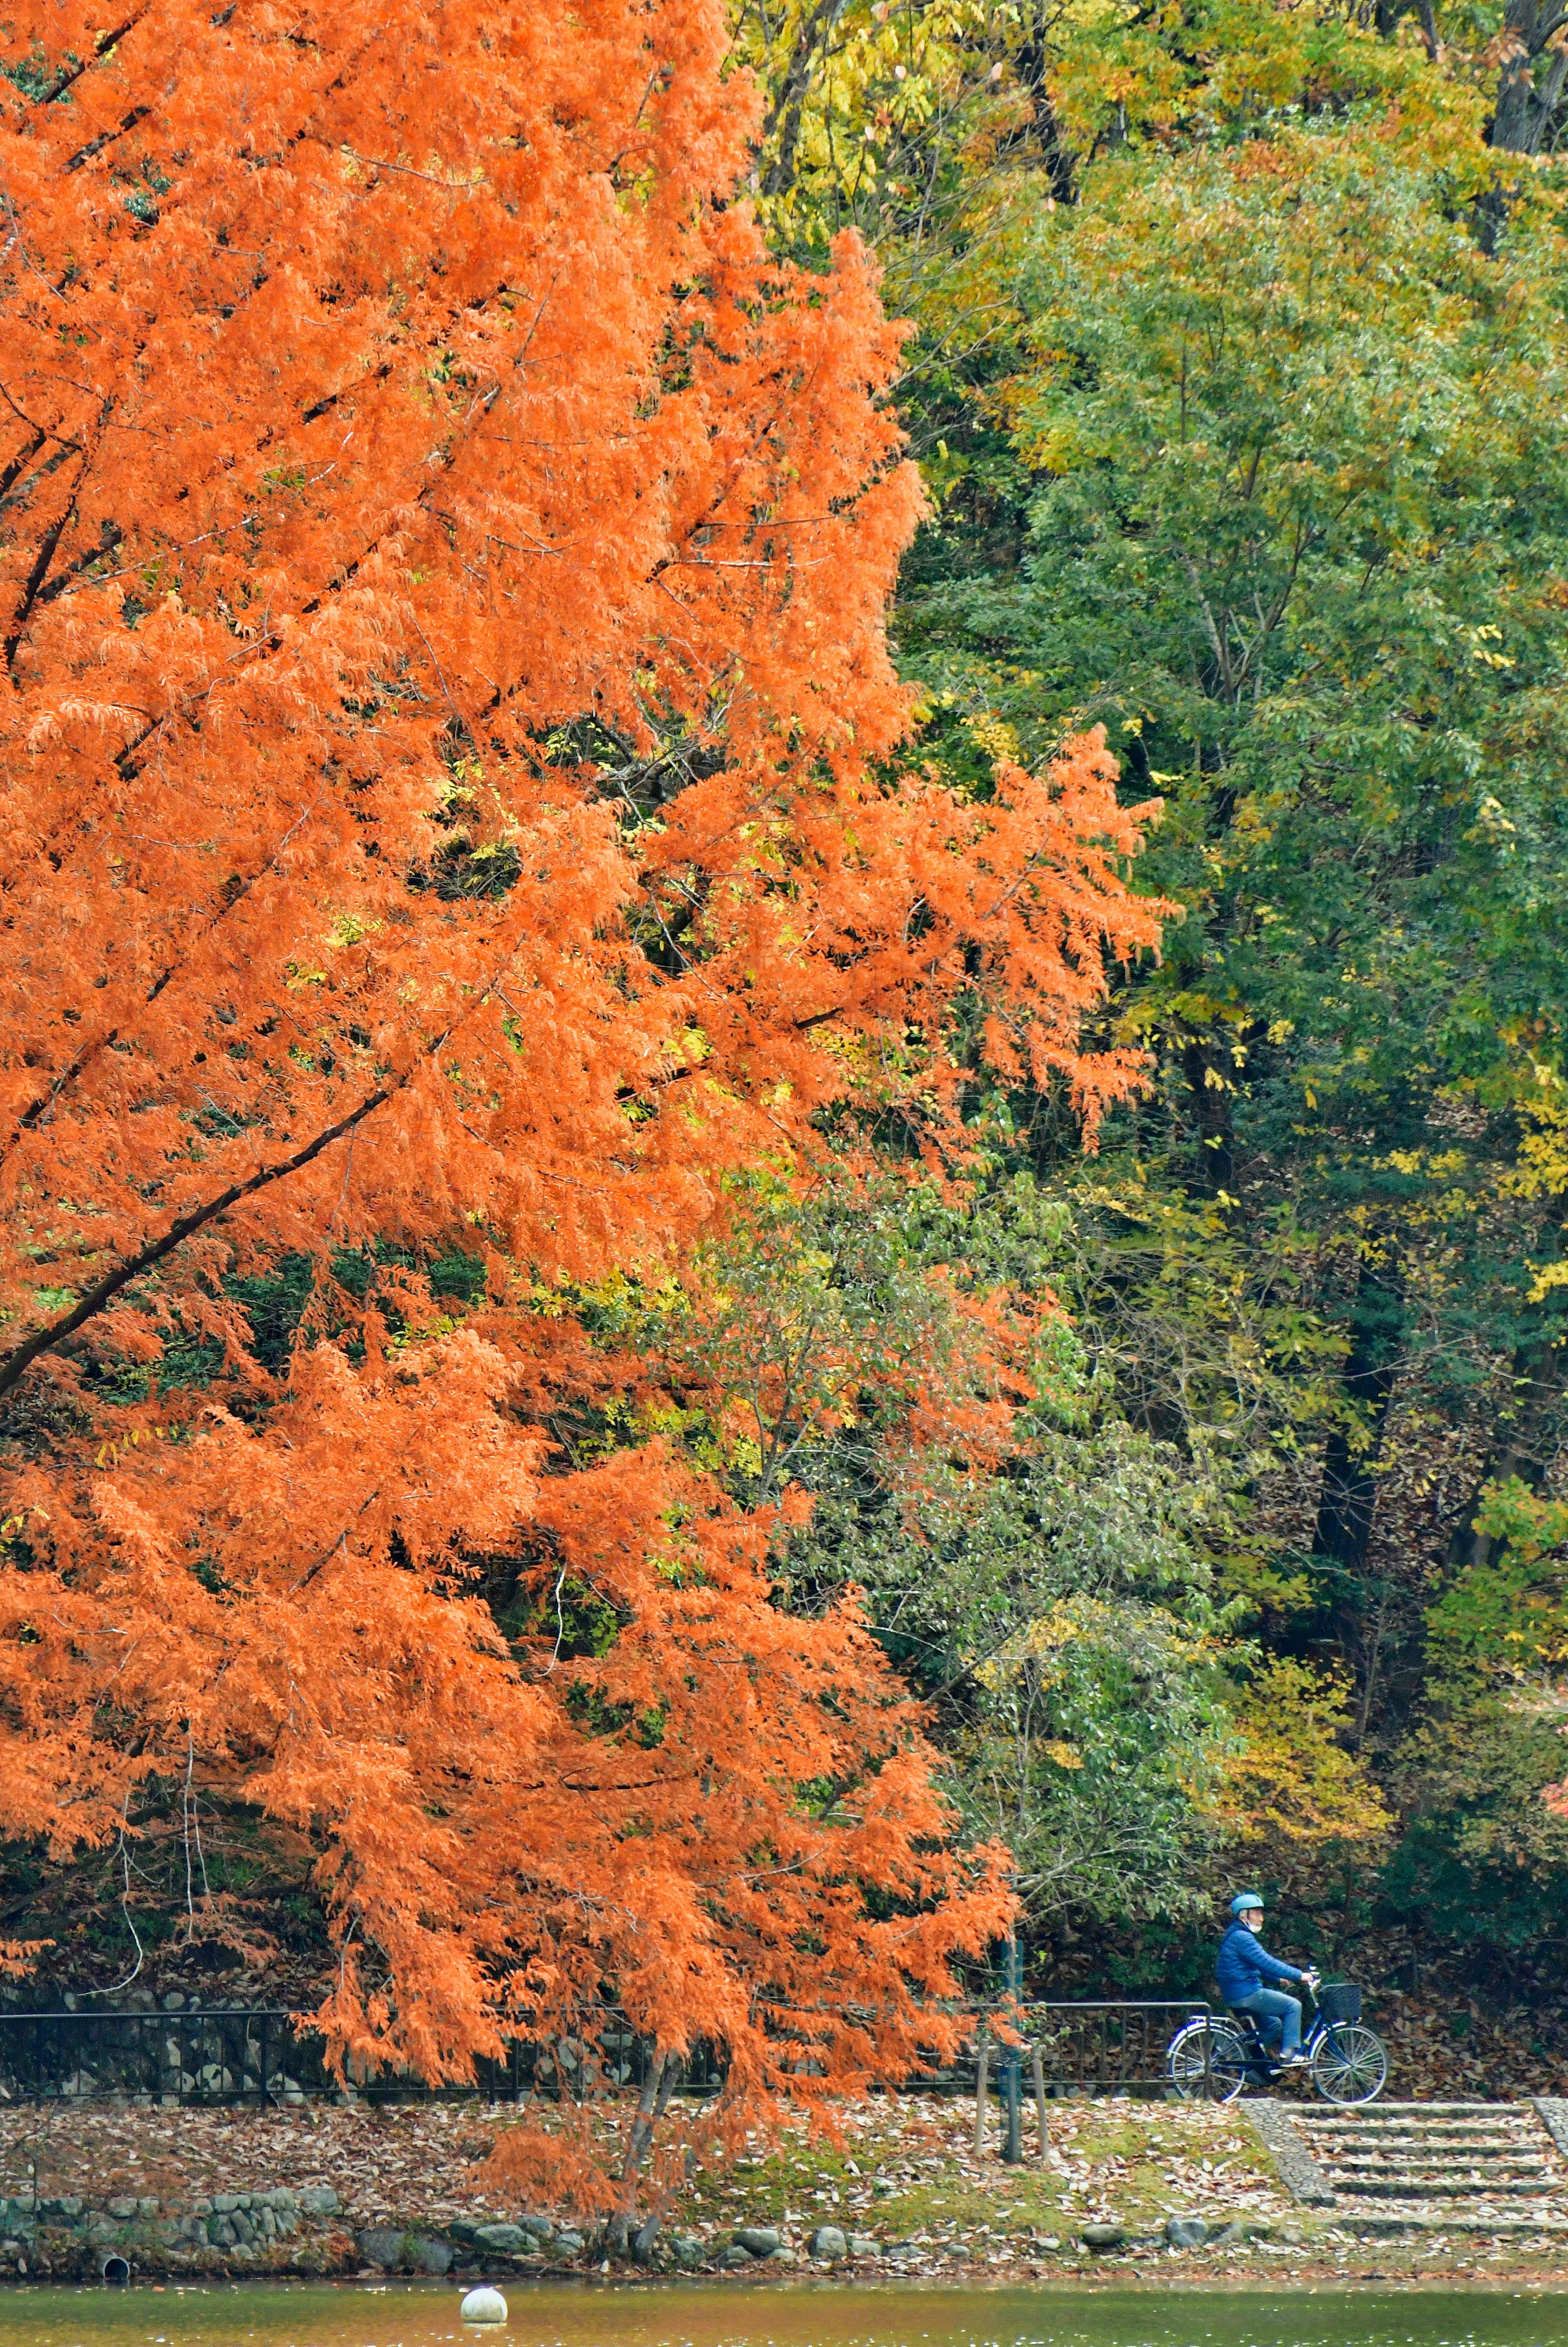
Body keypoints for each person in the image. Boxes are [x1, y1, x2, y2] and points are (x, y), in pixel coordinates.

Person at [1216, 1893, 1320, 2067]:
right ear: (1244, 1916)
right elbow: (1266, 1962)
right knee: (1293, 2006)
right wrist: (1298, 1975)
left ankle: (1247, 2060)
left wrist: (1278, 1979)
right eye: (1257, 1913)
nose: (1262, 1919)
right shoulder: (1242, 1938)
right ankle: (1289, 2054)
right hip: (1246, 1993)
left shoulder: (1236, 1935)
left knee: (1273, 2025)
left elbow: (1255, 1966)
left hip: (1237, 1992)